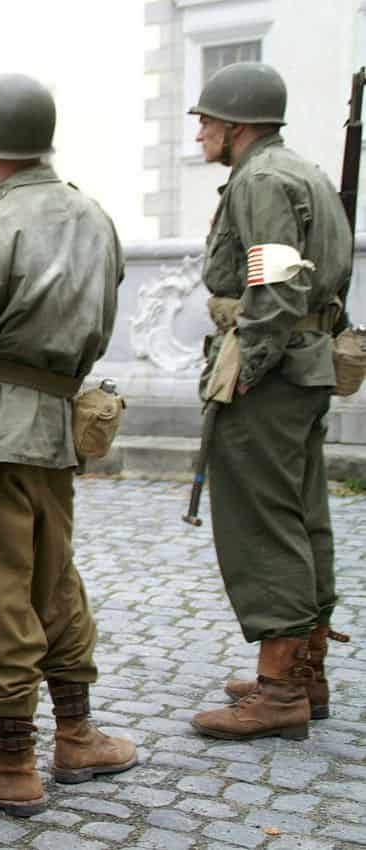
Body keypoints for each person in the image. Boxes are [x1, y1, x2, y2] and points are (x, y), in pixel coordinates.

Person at [0, 74, 135, 817]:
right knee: (54, 579)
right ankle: (76, 733)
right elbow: (100, 326)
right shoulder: (95, 218)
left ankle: (11, 762)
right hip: (56, 428)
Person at [185, 63, 353, 741]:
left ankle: (279, 688)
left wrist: (247, 367)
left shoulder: (260, 180)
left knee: (262, 524)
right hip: (305, 367)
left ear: (235, 125)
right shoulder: (302, 171)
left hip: (272, 373)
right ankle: (305, 671)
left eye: (205, 122)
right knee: (303, 513)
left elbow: (275, 287)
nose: (199, 133)